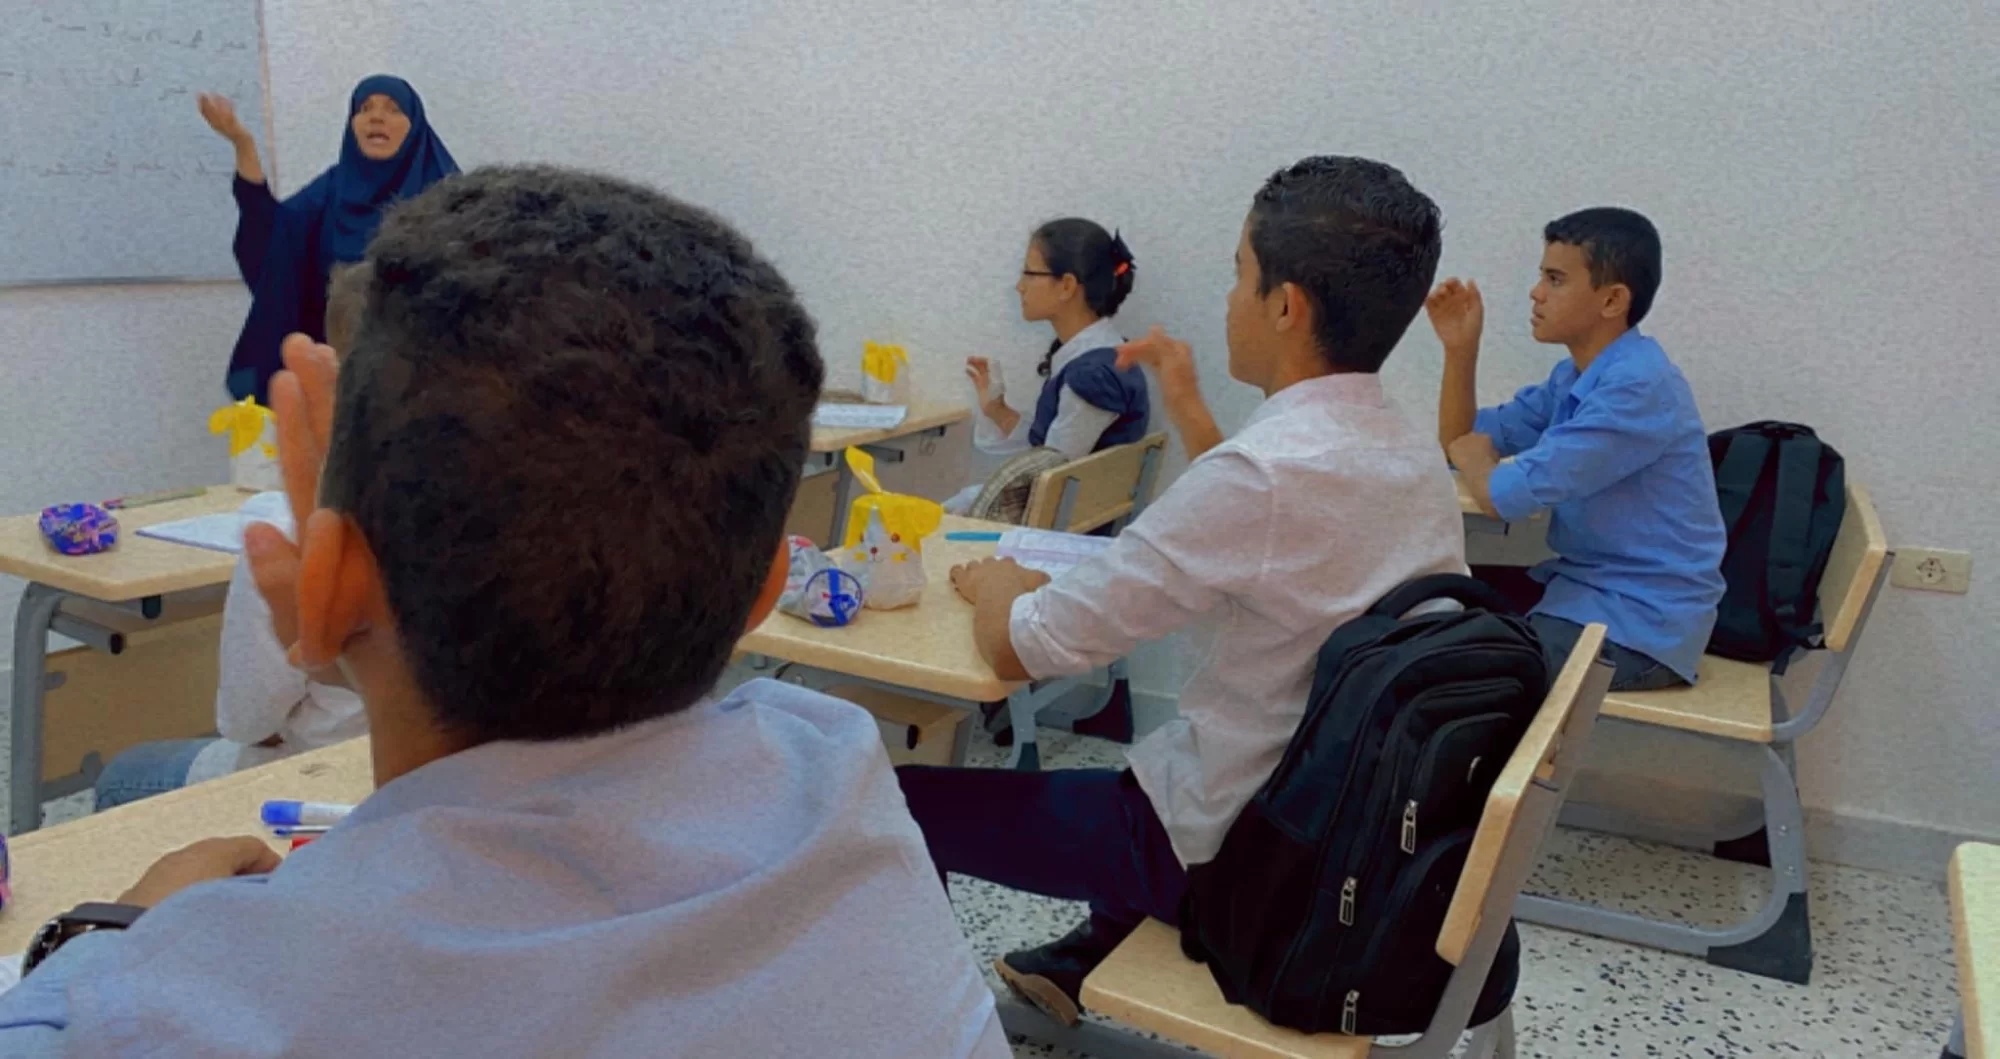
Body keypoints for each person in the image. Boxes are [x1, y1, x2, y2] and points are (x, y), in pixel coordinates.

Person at [0, 167, 1007, 1057]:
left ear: (327, 583)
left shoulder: (166, 1009)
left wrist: (104, 932)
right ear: (762, 590)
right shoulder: (840, 775)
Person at [896, 156, 1468, 1025]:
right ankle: (1082, 959)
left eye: (1239, 274)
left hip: (1238, 851)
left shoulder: (1260, 474)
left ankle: (923, 1028)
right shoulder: (1408, 452)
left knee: (906, 798)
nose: (1230, 298)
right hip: (1353, 824)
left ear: (1286, 306)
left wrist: (999, 587)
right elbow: (1261, 526)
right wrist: (1191, 404)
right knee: (1165, 759)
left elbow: (1023, 646)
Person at [92, 266, 373, 811]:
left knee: (126, 775)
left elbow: (247, 723)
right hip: (436, 792)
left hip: (324, 787)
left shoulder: (285, 528)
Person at [1429, 207, 1725, 691]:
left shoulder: (1639, 388)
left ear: (1612, 300)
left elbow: (1505, 494)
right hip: (1579, 592)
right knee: (1423, 598)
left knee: (1440, 669)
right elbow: (1458, 442)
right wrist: (1461, 350)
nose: (1536, 293)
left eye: (1555, 279)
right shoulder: (1575, 376)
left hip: (1638, 627)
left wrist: (1480, 461)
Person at [200, 75, 458, 404]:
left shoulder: (446, 195)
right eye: (365, 109)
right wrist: (243, 144)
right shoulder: (330, 193)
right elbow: (272, 238)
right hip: (338, 383)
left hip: (425, 387)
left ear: (415, 126)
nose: (376, 117)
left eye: (393, 109)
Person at [944, 218, 1150, 514]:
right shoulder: (1101, 356)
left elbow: (1048, 480)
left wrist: (960, 506)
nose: (1019, 287)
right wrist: (997, 410)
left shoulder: (1093, 377)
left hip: (1065, 531)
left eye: (1029, 273)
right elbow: (1048, 451)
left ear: (1066, 286)